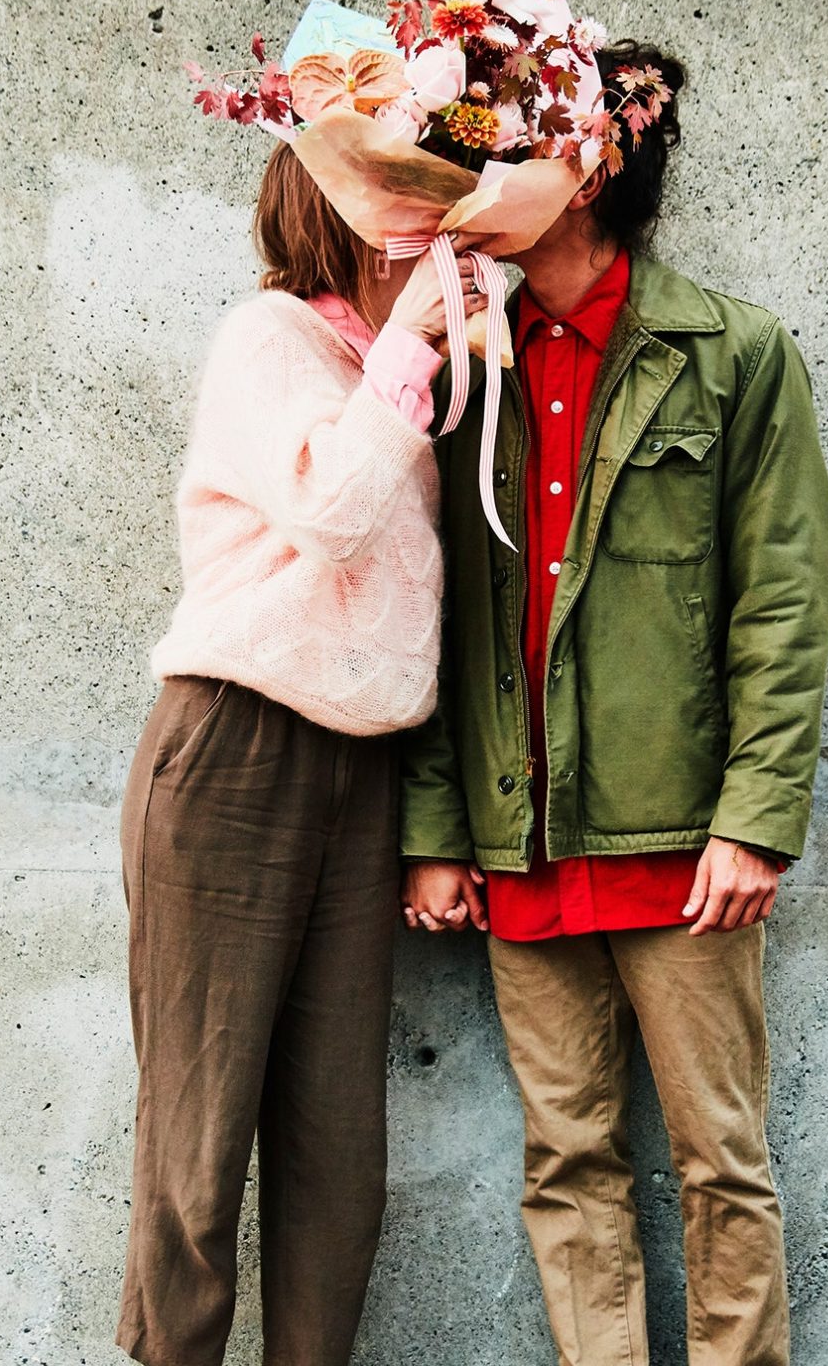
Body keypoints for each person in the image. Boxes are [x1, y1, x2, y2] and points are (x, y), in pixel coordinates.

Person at [400, 41, 828, 1366]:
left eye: (501, 152)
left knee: (721, 1164)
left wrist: (755, 819)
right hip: (518, 841)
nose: (468, 181)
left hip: (682, 848)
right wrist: (435, 825)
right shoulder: (454, 364)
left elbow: (783, 600)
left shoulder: (734, 356)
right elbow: (429, 607)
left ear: (584, 172)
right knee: (567, 1161)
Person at [116, 143, 485, 1366]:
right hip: (237, 751)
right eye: (411, 209)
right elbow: (329, 511)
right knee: (200, 1136)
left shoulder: (413, 370)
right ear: (343, 220)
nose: (436, 230)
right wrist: (414, 340)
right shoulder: (268, 336)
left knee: (338, 1153)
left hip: (362, 773)